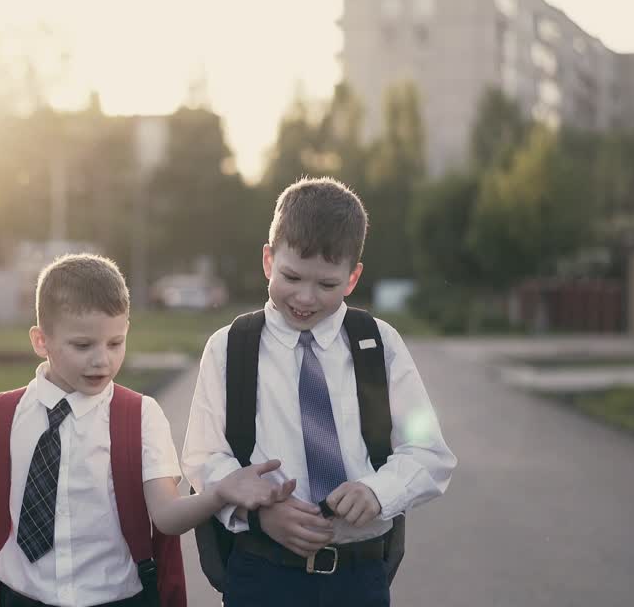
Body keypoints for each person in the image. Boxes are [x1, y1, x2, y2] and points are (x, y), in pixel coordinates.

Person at [0, 253, 291, 607]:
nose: (102, 361)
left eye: (115, 343)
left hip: (116, 598)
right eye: (82, 345)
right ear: (41, 340)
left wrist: (220, 492)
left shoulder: (140, 415)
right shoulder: (5, 414)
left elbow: (165, 516)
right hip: (22, 597)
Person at [182, 176, 456, 606]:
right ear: (269, 260)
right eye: (292, 276)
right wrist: (259, 512)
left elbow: (429, 453)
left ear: (352, 277)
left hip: (358, 574)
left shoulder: (377, 344)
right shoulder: (231, 346)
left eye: (327, 284)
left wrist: (378, 491)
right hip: (261, 570)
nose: (305, 298)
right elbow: (203, 458)